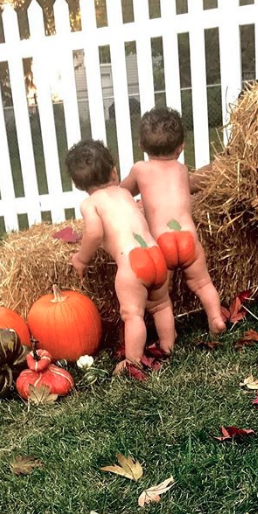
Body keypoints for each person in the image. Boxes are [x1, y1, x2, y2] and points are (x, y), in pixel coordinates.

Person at [65, 139, 176, 370]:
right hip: (155, 255)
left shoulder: (90, 203)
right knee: (162, 305)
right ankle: (168, 346)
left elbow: (94, 233)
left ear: (77, 184)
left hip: (133, 263)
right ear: (114, 171)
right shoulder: (125, 194)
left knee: (133, 314)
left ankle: (132, 361)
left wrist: (81, 258)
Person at [119, 107, 227, 338]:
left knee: (159, 298)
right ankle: (216, 317)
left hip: (161, 242)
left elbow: (121, 194)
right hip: (188, 239)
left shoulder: (140, 169)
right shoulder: (181, 169)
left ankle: (169, 337)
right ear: (181, 147)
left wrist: (138, 204)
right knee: (202, 283)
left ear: (141, 145)